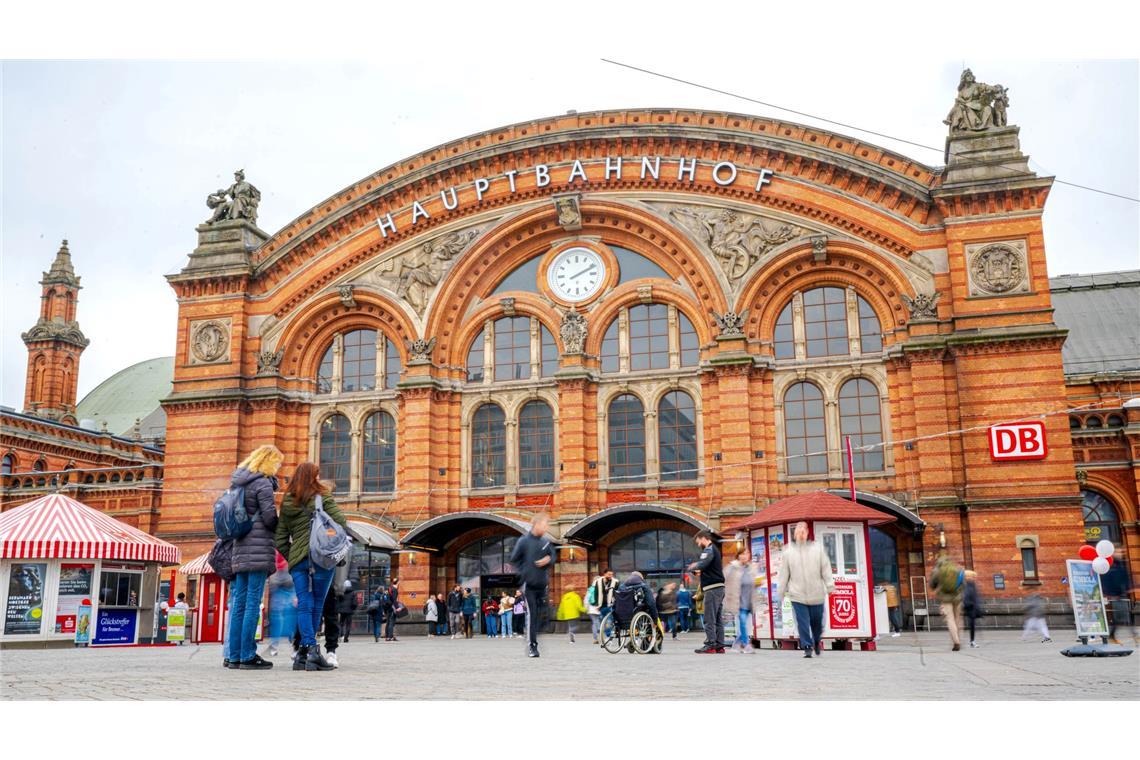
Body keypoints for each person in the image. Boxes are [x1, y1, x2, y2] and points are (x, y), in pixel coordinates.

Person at [274, 460, 347, 671]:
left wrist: (293, 556)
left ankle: (304, 654)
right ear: (314, 477)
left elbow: (280, 538)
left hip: (299, 561)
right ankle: (311, 650)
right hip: (322, 559)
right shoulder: (323, 496)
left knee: (305, 603)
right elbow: (341, 522)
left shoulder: (288, 501)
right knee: (317, 603)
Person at [227, 444, 283, 670]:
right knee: (252, 603)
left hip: (239, 547)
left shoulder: (238, 482)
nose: (278, 467)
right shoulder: (262, 483)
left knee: (238, 604)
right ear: (268, 461)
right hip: (258, 548)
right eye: (277, 462)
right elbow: (269, 517)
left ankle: (234, 655)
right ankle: (248, 654)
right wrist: (280, 527)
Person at [778, 521, 835, 659]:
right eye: (798, 530)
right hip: (797, 594)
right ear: (795, 533)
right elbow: (784, 573)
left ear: (808, 532)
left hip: (816, 594)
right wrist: (781, 591)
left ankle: (816, 640)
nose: (801, 532)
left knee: (817, 623)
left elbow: (825, 568)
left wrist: (829, 585)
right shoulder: (788, 551)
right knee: (802, 622)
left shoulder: (818, 549)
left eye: (803, 530)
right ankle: (807, 647)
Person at [509, 513, 556, 657]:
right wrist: (525, 573)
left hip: (542, 585)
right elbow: (514, 559)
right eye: (544, 524)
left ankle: (533, 632)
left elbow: (553, 556)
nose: (546, 527)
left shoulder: (545, 542)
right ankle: (532, 646)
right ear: (536, 524)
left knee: (543, 617)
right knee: (532, 615)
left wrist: (548, 560)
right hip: (529, 586)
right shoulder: (523, 541)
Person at [687, 530, 726, 654]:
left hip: (712, 589)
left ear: (703, 538)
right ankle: (720, 645)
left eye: (699, 542)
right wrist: (700, 571)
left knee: (709, 618)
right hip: (719, 588)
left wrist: (694, 566)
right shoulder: (715, 550)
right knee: (718, 619)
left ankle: (710, 644)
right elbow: (707, 568)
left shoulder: (708, 550)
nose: (699, 545)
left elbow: (703, 564)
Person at [930, 552, 965, 651]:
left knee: (950, 619)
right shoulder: (957, 569)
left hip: (945, 599)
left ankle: (956, 641)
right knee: (958, 619)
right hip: (957, 598)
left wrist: (939, 587)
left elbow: (932, 585)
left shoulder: (937, 570)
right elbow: (963, 584)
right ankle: (958, 638)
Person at [264, 553, 297, 657]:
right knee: (291, 614)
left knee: (278, 616)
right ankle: (295, 645)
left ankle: (274, 646)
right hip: (288, 578)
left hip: (278, 578)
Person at [1101, 551, 1136, 645]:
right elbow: (1106, 581)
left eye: (1121, 551)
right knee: (1120, 618)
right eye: (1117, 551)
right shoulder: (1110, 567)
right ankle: (1113, 635)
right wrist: (1110, 593)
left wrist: (1129, 587)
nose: (1120, 553)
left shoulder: (1121, 565)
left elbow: (1126, 578)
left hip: (1122, 595)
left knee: (1126, 616)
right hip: (1115, 597)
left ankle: (1134, 635)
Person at [961, 570, 983, 648]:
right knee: (971, 625)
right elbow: (967, 597)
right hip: (970, 608)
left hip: (971, 608)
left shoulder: (971, 584)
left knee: (972, 625)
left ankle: (971, 641)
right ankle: (971, 641)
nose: (974, 578)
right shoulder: (968, 585)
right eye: (972, 576)